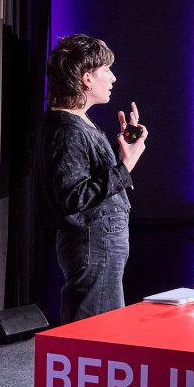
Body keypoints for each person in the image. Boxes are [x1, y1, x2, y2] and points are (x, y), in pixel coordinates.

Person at [34, 34, 147, 323]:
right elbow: (74, 196)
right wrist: (125, 165)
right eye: (106, 71)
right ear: (86, 79)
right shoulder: (66, 127)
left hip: (99, 240)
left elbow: (85, 174)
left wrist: (120, 147)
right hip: (93, 241)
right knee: (96, 329)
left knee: (102, 325)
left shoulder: (75, 120)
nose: (113, 78)